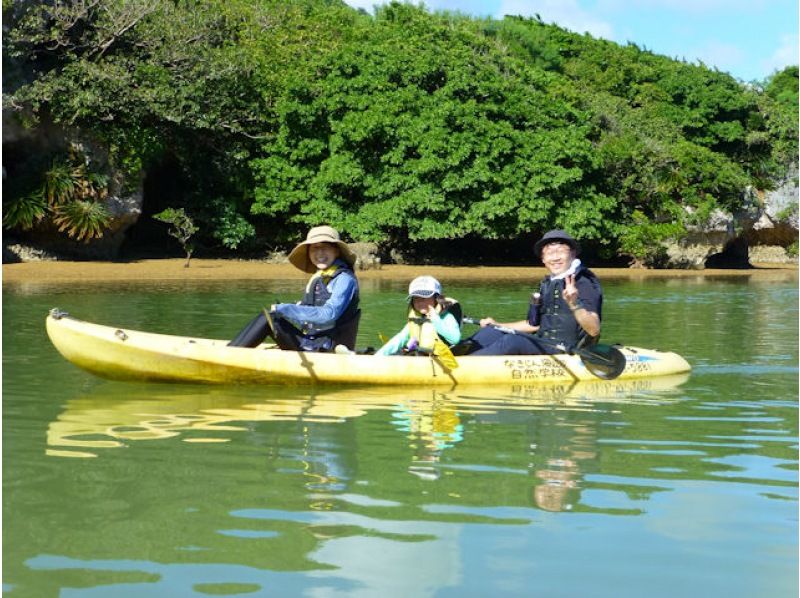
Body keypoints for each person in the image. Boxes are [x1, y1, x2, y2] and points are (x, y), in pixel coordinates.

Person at [462, 229, 602, 355]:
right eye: (549, 253)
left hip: (569, 349)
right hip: (543, 343)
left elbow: (594, 329)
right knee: (492, 331)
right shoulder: (547, 283)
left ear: (572, 253)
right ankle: (454, 355)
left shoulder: (584, 282)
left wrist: (574, 303)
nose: (555, 258)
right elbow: (533, 325)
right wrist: (498, 325)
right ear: (543, 259)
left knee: (512, 341)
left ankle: (463, 368)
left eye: (560, 251)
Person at [228, 225, 360, 351]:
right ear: (309, 252)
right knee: (270, 316)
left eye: (325, 247)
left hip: (329, 350)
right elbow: (309, 311)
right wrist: (289, 308)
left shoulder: (344, 279)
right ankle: (232, 350)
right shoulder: (321, 277)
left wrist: (286, 309)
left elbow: (328, 314)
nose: (320, 253)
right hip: (312, 342)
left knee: (269, 318)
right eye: (314, 248)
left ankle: (230, 353)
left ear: (336, 251)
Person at [375, 276, 462, 356]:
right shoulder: (416, 319)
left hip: (442, 357)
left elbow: (455, 339)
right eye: (416, 298)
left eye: (424, 298)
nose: (420, 302)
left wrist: (436, 320)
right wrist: (380, 355)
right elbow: (400, 339)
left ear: (437, 298)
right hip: (422, 357)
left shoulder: (447, 317)